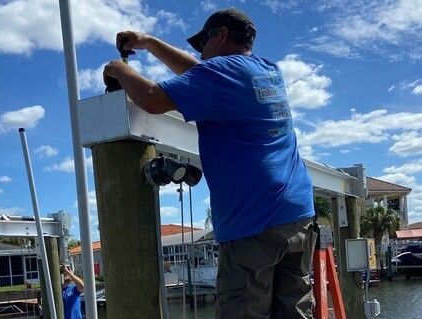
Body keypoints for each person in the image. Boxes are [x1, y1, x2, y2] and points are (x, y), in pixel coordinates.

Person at [103, 8, 316, 319]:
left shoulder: (220, 74)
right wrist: (149, 42)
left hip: (253, 221)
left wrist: (119, 69)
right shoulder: (267, 71)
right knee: (295, 312)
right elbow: (200, 71)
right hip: (297, 215)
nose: (200, 55)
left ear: (221, 36)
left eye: (203, 43)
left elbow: (150, 99)